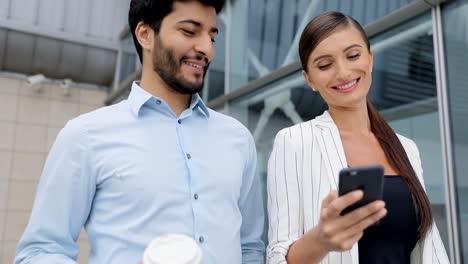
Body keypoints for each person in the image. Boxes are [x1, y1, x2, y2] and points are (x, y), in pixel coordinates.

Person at [14, 1, 265, 263]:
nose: (207, 49)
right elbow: (40, 252)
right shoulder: (85, 136)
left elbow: (249, 248)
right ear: (145, 34)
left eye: (212, 36)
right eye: (190, 32)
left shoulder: (238, 138)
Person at [266, 11, 449, 264]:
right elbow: (277, 256)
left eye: (353, 56)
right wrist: (322, 238)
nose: (343, 72)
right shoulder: (294, 141)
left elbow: (427, 246)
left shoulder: (406, 148)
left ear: (370, 59)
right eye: (324, 65)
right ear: (309, 78)